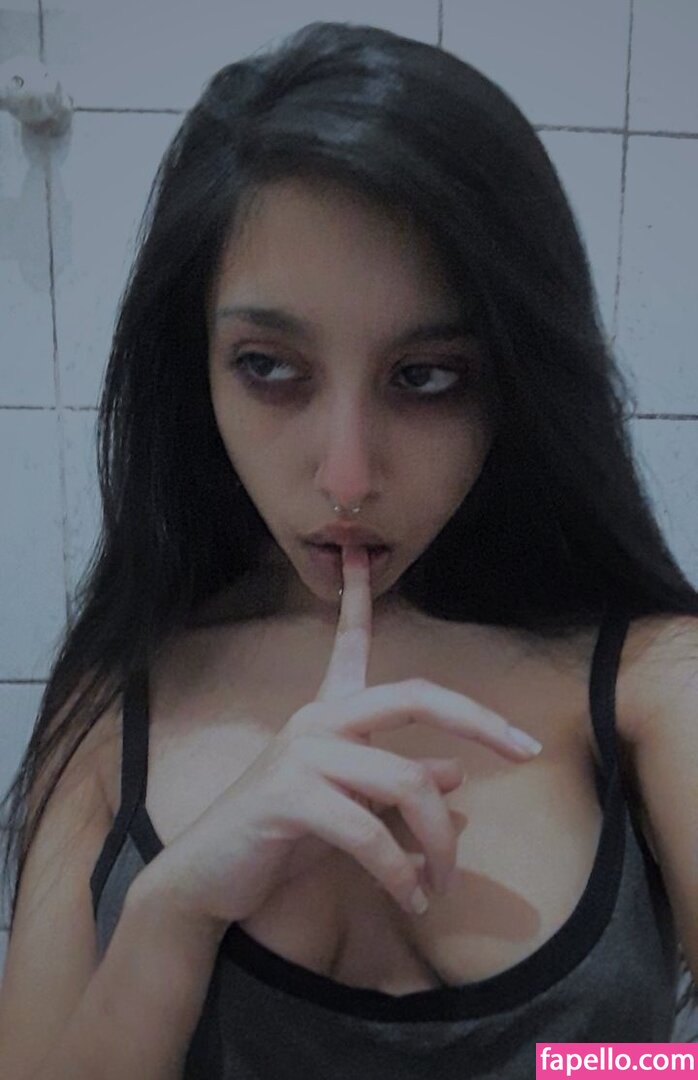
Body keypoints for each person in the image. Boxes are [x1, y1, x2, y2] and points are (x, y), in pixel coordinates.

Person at [0, 19, 697, 1079]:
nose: (346, 477)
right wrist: (171, 915)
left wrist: (596, 1065)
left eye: (425, 377)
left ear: (514, 380)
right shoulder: (112, 704)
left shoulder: (654, 682)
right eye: (270, 368)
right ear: (194, 371)